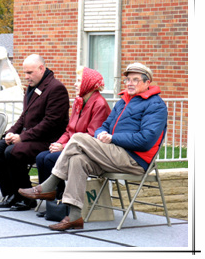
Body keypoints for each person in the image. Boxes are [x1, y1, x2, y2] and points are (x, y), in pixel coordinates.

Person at [18, 62, 168, 230]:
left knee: (79, 138)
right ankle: (74, 217)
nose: (130, 83)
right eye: (128, 80)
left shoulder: (156, 106)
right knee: (78, 160)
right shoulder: (123, 101)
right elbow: (104, 125)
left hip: (134, 159)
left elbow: (145, 140)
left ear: (148, 83)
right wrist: (101, 134)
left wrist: (113, 138)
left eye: (135, 80)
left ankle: (50, 185)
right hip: (113, 154)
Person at [0, 54, 70, 211]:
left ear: (41, 69)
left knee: (13, 151)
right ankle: (11, 194)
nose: (26, 77)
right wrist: (10, 133)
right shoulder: (32, 88)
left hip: (47, 141)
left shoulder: (56, 88)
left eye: (29, 73)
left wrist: (22, 137)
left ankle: (26, 198)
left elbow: (50, 123)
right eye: (24, 73)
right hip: (31, 138)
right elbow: (24, 117)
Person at [35, 66, 111, 215]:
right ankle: (50, 204)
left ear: (88, 84)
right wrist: (59, 143)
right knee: (41, 157)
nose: (75, 84)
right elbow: (70, 130)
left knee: (50, 159)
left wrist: (63, 147)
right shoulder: (79, 102)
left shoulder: (99, 104)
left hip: (88, 150)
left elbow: (90, 136)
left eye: (78, 81)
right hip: (72, 145)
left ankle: (60, 202)